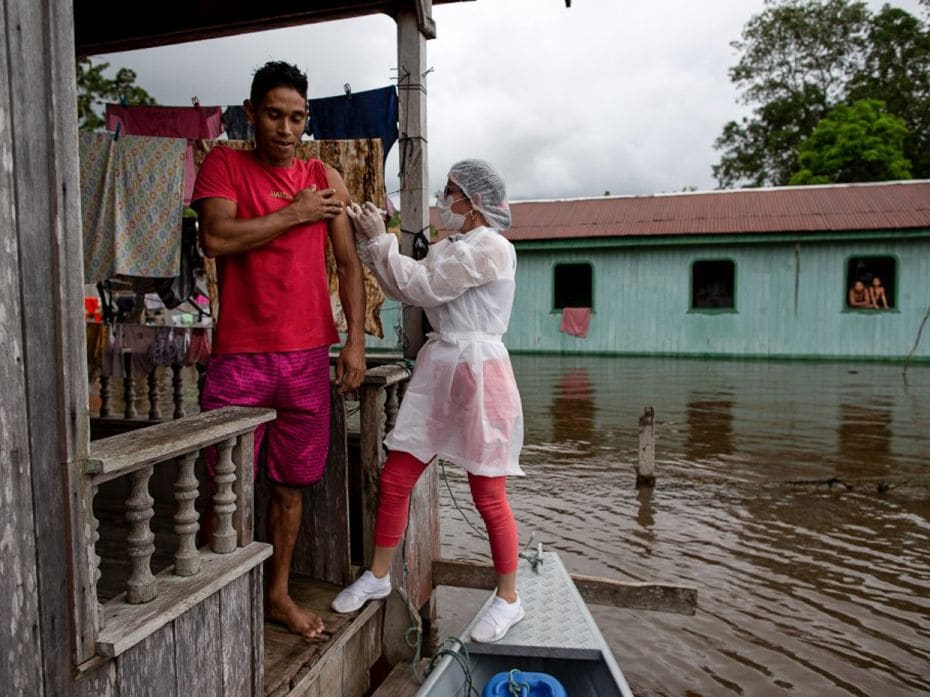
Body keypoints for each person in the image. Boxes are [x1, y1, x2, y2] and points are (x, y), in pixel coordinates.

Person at [192, 61, 367, 640]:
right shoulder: (223, 164)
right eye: (273, 115)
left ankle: (276, 595)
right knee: (225, 483)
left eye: (296, 117)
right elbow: (216, 239)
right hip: (240, 356)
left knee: (291, 486)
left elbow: (347, 263)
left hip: (306, 358)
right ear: (251, 113)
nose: (285, 129)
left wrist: (355, 342)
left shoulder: (326, 178)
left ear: (306, 119)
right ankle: (217, 596)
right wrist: (293, 213)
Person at [332, 159, 526, 644]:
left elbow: (421, 286)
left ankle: (508, 599)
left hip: (481, 371)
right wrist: (378, 238)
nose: (445, 200)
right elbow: (406, 284)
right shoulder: (451, 247)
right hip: (441, 366)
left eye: (451, 192)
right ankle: (378, 576)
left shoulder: (494, 249)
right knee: (397, 475)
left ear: (474, 203)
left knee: (488, 494)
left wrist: (380, 241)